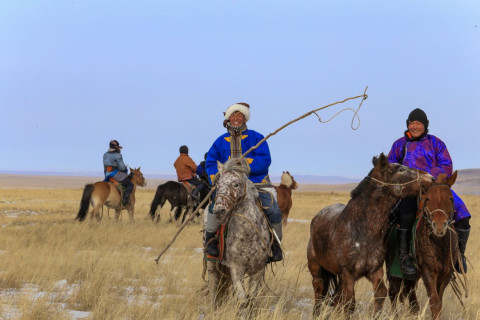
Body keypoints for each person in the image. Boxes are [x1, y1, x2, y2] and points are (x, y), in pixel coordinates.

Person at [388, 108, 471, 274]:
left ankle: (459, 257)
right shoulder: (400, 144)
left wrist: (429, 176)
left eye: (418, 123)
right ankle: (405, 258)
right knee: (406, 214)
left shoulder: (436, 143)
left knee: (462, 212)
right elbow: (391, 166)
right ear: (408, 125)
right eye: (412, 123)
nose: (415, 126)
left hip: (435, 186)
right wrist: (406, 179)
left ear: (425, 125)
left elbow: (446, 165)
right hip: (410, 188)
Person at [204, 102, 283, 262]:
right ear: (228, 119)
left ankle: (275, 244)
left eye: (239, 115)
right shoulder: (220, 141)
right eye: (232, 115)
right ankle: (211, 242)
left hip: (256, 182)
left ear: (245, 118)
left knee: (272, 208)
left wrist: (245, 164)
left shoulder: (257, 138)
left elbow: (265, 160)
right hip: (227, 184)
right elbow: (211, 162)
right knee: (214, 207)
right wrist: (217, 177)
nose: (236, 118)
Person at [103, 140, 134, 205]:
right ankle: (125, 200)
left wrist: (106, 176)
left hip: (107, 174)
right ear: (116, 147)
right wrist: (125, 169)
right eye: (118, 147)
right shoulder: (118, 155)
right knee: (130, 184)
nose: (119, 149)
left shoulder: (105, 155)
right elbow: (122, 167)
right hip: (115, 174)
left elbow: (104, 167)